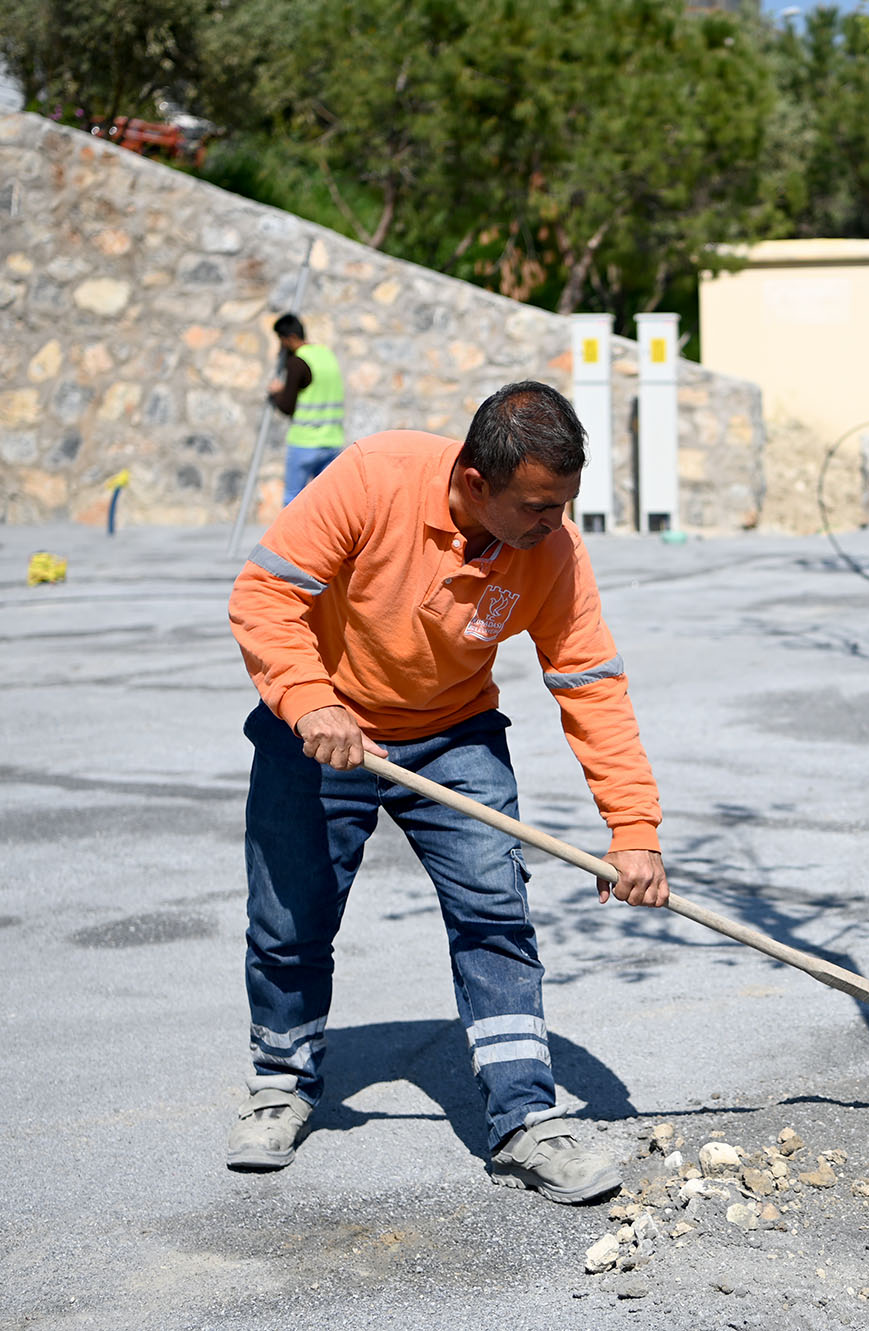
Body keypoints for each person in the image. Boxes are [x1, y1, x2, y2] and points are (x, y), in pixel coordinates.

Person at [225, 381, 668, 1205]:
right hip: (321, 727)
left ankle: (524, 1118)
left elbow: (591, 682)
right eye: (538, 505)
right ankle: (281, 1082)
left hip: (455, 734)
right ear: (473, 481)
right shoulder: (374, 478)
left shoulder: (552, 549)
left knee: (495, 911)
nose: (554, 524)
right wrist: (311, 700)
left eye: (563, 505)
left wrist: (632, 827)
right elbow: (264, 595)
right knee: (290, 917)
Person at [266, 314, 347, 502]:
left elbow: (287, 406)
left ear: (290, 338)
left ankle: (290, 534)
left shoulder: (298, 362)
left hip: (304, 442)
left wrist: (276, 392)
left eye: (282, 341)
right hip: (332, 442)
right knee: (327, 503)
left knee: (293, 500)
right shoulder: (327, 355)